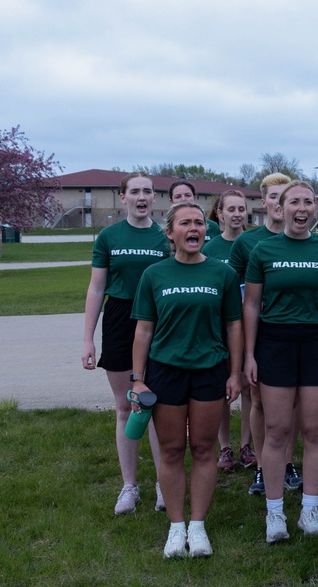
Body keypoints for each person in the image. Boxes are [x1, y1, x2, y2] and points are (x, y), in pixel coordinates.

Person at [131, 201, 242, 558]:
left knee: (204, 449)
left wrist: (235, 372)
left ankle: (198, 525)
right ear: (170, 233)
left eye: (199, 223)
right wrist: (137, 379)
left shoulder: (221, 274)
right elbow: (144, 330)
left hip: (210, 369)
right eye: (185, 223)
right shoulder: (154, 275)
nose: (194, 229)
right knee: (173, 449)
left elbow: (233, 327)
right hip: (166, 372)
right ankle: (176, 528)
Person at [243, 180, 318, 543]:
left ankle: (309, 509)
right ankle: (275, 514)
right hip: (275, 343)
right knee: (277, 431)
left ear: (314, 208)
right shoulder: (263, 250)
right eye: (294, 202)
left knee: (315, 429)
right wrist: (249, 355)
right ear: (280, 208)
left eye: (307, 202)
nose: (301, 208)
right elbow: (251, 306)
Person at [81, 172, 168, 515]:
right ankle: (129, 486)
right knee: (126, 405)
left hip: (160, 322)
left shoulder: (166, 237)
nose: (142, 196)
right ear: (123, 198)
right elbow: (96, 288)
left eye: (148, 191)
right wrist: (87, 338)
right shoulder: (109, 236)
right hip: (119, 320)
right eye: (135, 191)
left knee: (158, 406)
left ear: (154, 198)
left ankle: (165, 482)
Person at [228, 173, 303, 492]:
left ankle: (287, 462)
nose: (278, 202)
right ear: (266, 201)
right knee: (257, 398)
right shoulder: (247, 242)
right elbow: (234, 291)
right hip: (258, 332)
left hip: (293, 331)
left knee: (295, 400)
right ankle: (262, 463)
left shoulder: (302, 238)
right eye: (274, 196)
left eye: (284, 196)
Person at [201, 189, 255, 473]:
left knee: (247, 386)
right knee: (223, 387)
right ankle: (225, 447)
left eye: (241, 209)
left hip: (246, 325)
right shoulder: (210, 249)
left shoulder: (252, 244)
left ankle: (247, 444)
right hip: (219, 327)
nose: (236, 214)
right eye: (230, 209)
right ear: (219, 214)